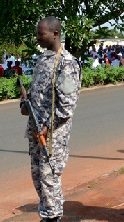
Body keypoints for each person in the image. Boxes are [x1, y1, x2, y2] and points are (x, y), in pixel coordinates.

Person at [21, 16, 82, 222]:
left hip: (53, 135)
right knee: (38, 176)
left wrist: (48, 126)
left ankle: (53, 217)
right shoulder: (44, 60)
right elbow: (36, 93)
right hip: (36, 130)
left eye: (41, 33)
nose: (37, 37)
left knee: (49, 178)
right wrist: (26, 105)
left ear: (55, 34)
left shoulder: (67, 64)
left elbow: (67, 105)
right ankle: (48, 214)